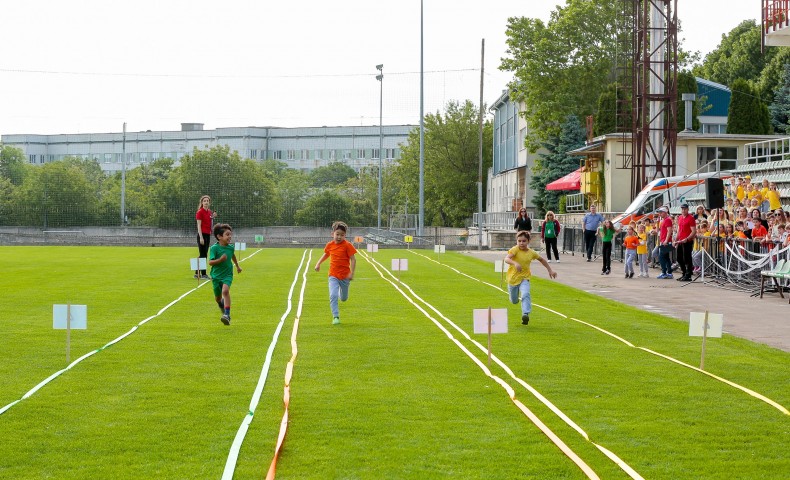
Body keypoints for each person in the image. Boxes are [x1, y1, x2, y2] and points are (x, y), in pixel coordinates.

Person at [504, 230, 557, 325]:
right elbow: (507, 259)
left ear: (528, 241)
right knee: (514, 301)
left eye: (524, 241)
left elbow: (542, 260)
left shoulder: (531, 253)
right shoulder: (515, 249)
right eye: (519, 241)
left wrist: (550, 270)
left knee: (525, 294)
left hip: (525, 278)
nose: (521, 243)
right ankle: (514, 299)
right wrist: (515, 263)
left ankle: (525, 314)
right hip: (512, 279)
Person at [314, 221, 357, 325]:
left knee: (343, 298)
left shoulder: (347, 245)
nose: (339, 237)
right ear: (332, 234)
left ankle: (339, 293)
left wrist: (352, 273)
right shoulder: (330, 245)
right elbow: (326, 254)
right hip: (333, 275)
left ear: (345, 235)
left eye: (342, 235)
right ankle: (336, 316)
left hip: (345, 276)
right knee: (333, 295)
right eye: (337, 234)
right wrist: (318, 263)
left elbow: (353, 259)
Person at [208, 223, 242, 326]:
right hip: (216, 276)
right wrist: (220, 260)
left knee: (225, 291)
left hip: (227, 274)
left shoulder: (230, 248)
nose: (230, 236)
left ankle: (227, 314)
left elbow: (232, 255)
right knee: (218, 298)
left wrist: (237, 266)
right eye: (227, 234)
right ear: (219, 236)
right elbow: (210, 262)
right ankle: (220, 303)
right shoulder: (214, 248)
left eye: (230, 234)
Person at [195, 195, 217, 279]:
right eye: (204, 201)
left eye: (207, 201)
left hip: (208, 234)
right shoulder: (200, 212)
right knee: (203, 255)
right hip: (202, 234)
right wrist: (201, 237)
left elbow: (209, 221)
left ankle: (196, 273)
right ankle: (203, 274)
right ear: (202, 202)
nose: (206, 202)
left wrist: (213, 217)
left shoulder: (209, 212)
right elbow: (199, 225)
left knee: (203, 254)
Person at [673, 203, 696, 282]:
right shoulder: (680, 217)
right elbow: (679, 230)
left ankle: (688, 275)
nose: (683, 210)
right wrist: (676, 240)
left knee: (687, 258)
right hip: (680, 240)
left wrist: (687, 238)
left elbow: (693, 231)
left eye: (685, 209)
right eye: (682, 209)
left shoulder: (691, 218)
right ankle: (684, 272)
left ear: (687, 209)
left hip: (687, 241)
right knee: (679, 258)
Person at [656, 207, 675, 279]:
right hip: (663, 240)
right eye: (659, 212)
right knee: (666, 257)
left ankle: (664, 272)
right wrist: (657, 222)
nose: (660, 214)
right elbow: (658, 231)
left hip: (665, 241)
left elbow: (669, 230)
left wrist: (666, 240)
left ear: (665, 212)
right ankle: (669, 272)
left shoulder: (667, 220)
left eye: (661, 212)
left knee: (661, 257)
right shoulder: (663, 220)